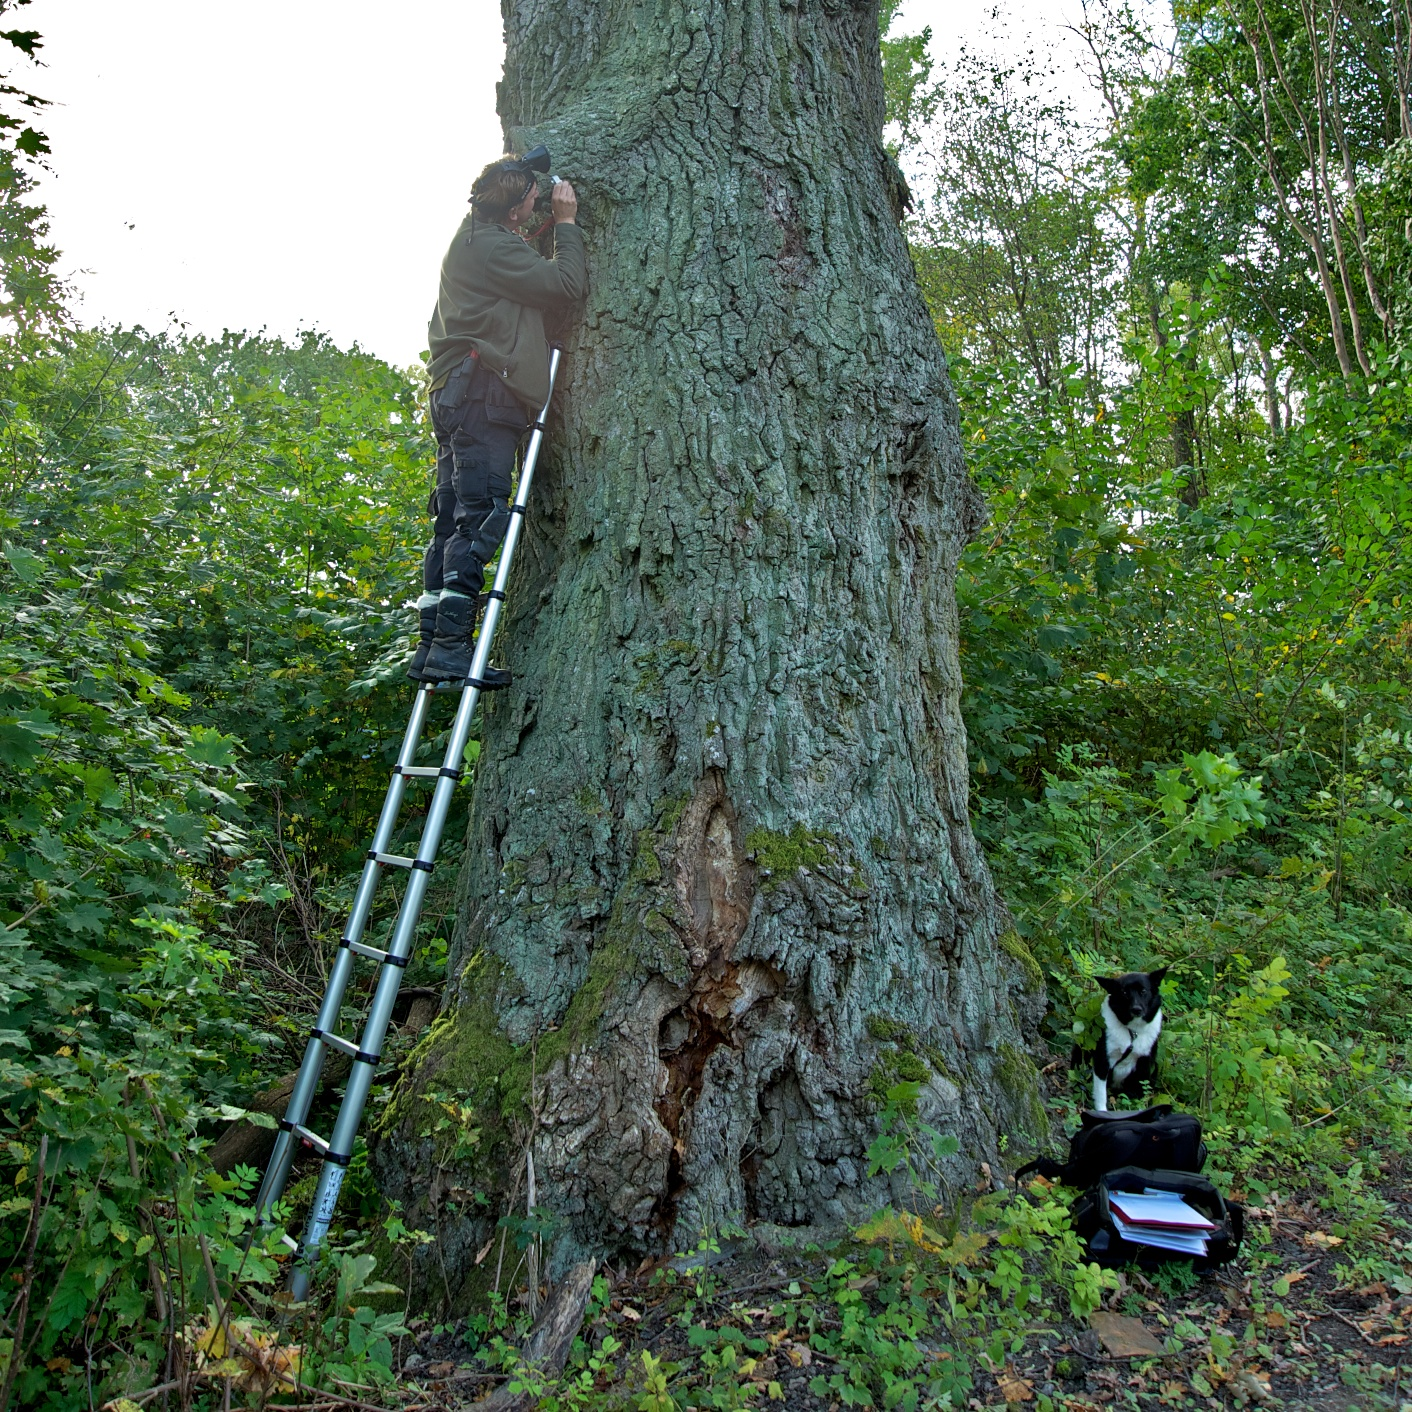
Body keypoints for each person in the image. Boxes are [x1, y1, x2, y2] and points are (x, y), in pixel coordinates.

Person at [409, 154, 585, 683]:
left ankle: (432, 644)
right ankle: (451, 647)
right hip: (485, 394)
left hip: (460, 394)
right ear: (512, 209)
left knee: (452, 519)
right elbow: (568, 285)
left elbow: (513, 270)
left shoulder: (476, 239)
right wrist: (569, 227)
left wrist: (538, 231)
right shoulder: (491, 247)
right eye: (530, 202)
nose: (536, 208)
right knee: (482, 516)